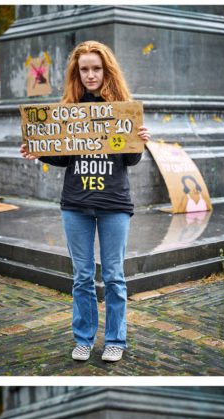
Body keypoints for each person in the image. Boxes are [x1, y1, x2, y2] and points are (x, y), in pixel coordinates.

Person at [20, 41, 150, 364]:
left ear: (106, 70)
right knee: (81, 277)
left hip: (114, 203)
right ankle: (83, 338)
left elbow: (131, 159)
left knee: (114, 276)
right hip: (76, 203)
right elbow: (64, 157)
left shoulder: (123, 107)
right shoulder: (70, 107)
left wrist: (140, 142)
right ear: (77, 73)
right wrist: (40, 150)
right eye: (84, 69)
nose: (90, 74)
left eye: (96, 68)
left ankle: (115, 339)